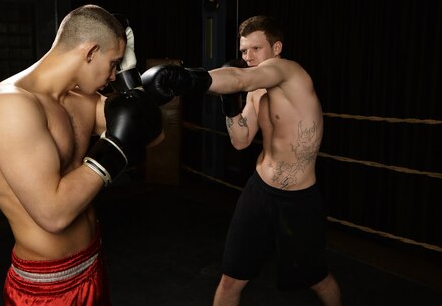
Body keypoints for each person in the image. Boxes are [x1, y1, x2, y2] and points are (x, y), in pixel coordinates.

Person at [0, 4, 163, 306]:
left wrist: (130, 78)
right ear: (90, 52)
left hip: (93, 262)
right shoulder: (11, 106)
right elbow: (53, 214)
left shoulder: (81, 100)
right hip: (46, 288)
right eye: (113, 64)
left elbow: (149, 133)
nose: (113, 75)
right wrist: (114, 145)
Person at [141, 15, 342, 306]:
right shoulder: (255, 90)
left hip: (297, 201)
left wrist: (186, 79)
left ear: (276, 48)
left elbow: (238, 78)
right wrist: (229, 103)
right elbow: (240, 140)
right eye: (244, 51)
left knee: (317, 279)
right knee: (231, 278)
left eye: (256, 49)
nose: (248, 57)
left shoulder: (289, 72)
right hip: (259, 191)